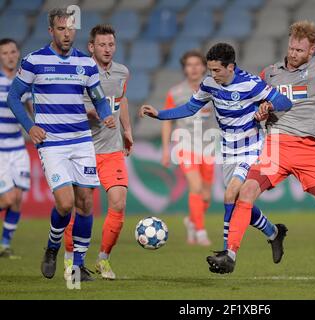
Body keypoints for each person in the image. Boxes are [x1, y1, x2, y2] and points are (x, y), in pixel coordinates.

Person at [207, 21, 315, 281]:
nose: (293, 54)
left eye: (300, 51)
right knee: (245, 192)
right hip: (275, 147)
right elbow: (255, 104)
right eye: (291, 48)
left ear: (312, 50)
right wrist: (260, 113)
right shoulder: (269, 73)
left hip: (308, 150)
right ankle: (230, 255)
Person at [139, 43, 292, 267]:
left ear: (230, 67)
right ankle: (273, 232)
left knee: (230, 195)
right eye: (210, 70)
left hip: (252, 147)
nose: (212, 75)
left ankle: (228, 254)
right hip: (228, 150)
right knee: (240, 202)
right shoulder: (210, 84)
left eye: (216, 70)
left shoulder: (251, 83)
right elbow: (190, 107)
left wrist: (267, 106)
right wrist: (159, 114)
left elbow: (284, 102)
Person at [7, 8, 115, 281]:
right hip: (52, 142)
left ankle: (78, 265)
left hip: (81, 140)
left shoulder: (86, 64)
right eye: (61, 29)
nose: (67, 34)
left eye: (71, 29)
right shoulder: (35, 61)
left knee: (87, 202)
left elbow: (99, 97)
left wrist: (106, 114)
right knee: (65, 204)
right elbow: (13, 97)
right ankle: (53, 248)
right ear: (51, 31)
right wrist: (30, 126)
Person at [63, 24, 133, 280]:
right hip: (83, 150)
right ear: (91, 47)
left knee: (119, 202)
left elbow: (120, 101)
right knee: (81, 208)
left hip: (111, 150)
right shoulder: (79, 72)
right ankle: (72, 262)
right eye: (102, 45)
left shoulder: (122, 72)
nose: (107, 49)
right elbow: (69, 108)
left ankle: (103, 259)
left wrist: (127, 130)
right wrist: (92, 113)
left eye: (111, 44)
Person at [161, 50, 215, 246]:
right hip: (185, 145)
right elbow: (167, 120)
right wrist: (166, 149)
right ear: (184, 68)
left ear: (204, 67)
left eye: (197, 64)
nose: (193, 68)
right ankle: (200, 232)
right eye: (189, 64)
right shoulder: (175, 93)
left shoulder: (213, 90)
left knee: (206, 196)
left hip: (208, 146)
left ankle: (192, 221)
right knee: (196, 186)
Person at [0, 38, 32, 258]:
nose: (10, 56)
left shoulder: (24, 83)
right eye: (5, 53)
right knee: (8, 199)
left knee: (18, 197)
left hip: (18, 147)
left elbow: (33, 111)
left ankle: (4, 246)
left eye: (13, 51)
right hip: (0, 149)